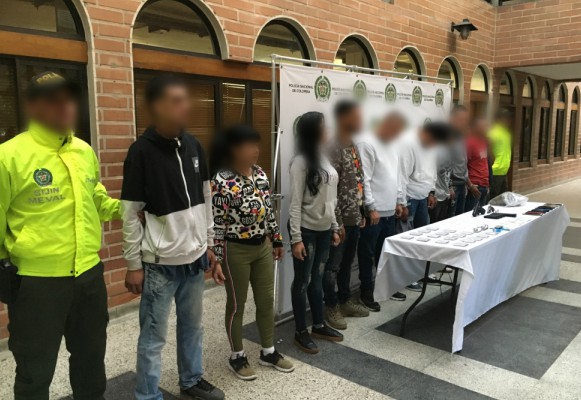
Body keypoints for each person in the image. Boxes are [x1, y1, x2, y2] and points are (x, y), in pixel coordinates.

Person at [0, 71, 120, 400]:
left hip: (88, 276)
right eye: (54, 100)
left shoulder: (83, 151)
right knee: (35, 370)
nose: (65, 107)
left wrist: (128, 209)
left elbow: (96, 199)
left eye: (68, 99)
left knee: (91, 360)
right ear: (34, 107)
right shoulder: (9, 156)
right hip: (37, 284)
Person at [121, 75, 224, 400]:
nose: (185, 107)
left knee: (193, 326)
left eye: (186, 100)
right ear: (157, 107)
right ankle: (147, 395)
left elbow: (206, 198)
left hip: (194, 259)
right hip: (159, 265)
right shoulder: (140, 152)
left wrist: (209, 243)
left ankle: (191, 380)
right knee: (154, 338)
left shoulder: (194, 146)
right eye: (176, 101)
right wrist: (133, 264)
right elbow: (130, 212)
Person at [209, 124, 294, 380]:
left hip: (262, 248)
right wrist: (217, 260)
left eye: (256, 145)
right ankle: (237, 356)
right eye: (249, 145)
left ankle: (268, 351)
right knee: (237, 304)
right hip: (235, 250)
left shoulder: (259, 174)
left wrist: (277, 240)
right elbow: (217, 224)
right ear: (234, 149)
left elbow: (268, 211)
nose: (255, 150)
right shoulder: (221, 180)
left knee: (266, 301)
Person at [289, 111, 343, 354]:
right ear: (313, 131)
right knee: (302, 281)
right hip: (306, 232)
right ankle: (301, 331)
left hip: (324, 231)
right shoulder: (300, 162)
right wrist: (296, 239)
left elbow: (330, 198)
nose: (327, 130)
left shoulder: (322, 157)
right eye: (323, 126)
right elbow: (294, 204)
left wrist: (334, 226)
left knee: (318, 278)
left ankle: (319, 325)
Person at [322, 100, 369, 330]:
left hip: (354, 218)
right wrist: (337, 222)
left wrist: (361, 211)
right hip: (339, 221)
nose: (361, 121)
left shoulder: (353, 145)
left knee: (347, 264)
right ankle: (330, 306)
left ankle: (344, 300)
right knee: (332, 267)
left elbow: (358, 181)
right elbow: (329, 189)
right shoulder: (332, 147)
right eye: (356, 117)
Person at [355, 111, 409, 306]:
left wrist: (399, 201)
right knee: (366, 253)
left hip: (389, 210)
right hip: (374, 212)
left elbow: (396, 176)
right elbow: (364, 179)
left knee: (384, 253)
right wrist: (371, 207)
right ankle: (366, 291)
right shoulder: (366, 143)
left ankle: (384, 287)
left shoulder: (392, 145)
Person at [464, 118, 490, 212]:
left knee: (482, 216)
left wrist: (487, 184)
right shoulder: (469, 142)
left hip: (484, 185)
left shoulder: (484, 141)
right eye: (483, 126)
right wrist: (470, 185)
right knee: (471, 215)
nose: (486, 128)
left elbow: (484, 162)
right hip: (475, 185)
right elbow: (463, 165)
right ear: (476, 128)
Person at [448, 105, 470, 216]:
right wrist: (449, 186)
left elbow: (463, 161)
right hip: (453, 185)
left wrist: (467, 182)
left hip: (462, 184)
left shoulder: (460, 137)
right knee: (451, 219)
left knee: (460, 218)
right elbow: (443, 164)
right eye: (461, 119)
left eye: (465, 120)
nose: (464, 123)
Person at [488, 108, 513, 199]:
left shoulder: (506, 133)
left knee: (503, 198)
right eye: (505, 118)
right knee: (494, 198)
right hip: (495, 170)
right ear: (498, 119)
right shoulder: (493, 132)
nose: (508, 120)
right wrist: (492, 163)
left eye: (509, 118)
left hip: (503, 170)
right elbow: (488, 149)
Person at [429, 141, 454, 223]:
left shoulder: (449, 153)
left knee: (442, 223)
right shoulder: (436, 153)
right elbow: (431, 174)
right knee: (434, 224)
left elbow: (448, 172)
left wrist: (450, 187)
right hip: (436, 195)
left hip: (445, 195)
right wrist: (432, 194)